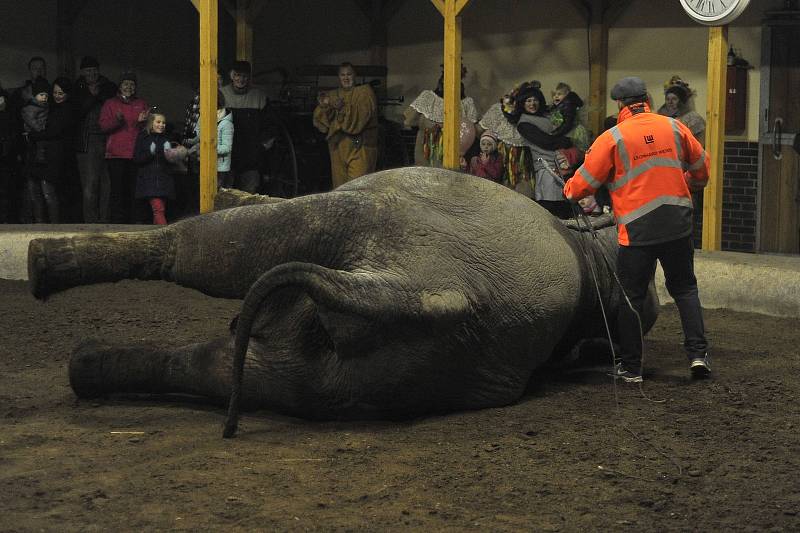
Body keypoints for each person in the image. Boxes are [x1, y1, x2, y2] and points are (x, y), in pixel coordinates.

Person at [563, 76, 711, 383]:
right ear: (646, 98)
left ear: (620, 104)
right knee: (685, 289)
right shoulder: (674, 126)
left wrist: (568, 189)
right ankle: (698, 356)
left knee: (631, 297)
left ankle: (631, 368)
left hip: (638, 230)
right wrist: (690, 183)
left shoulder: (612, 137)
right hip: (678, 224)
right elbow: (701, 166)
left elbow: (583, 185)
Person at [511, 81, 573, 218]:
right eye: (528, 100)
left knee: (563, 203)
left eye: (535, 100)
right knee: (551, 205)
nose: (532, 104)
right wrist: (566, 141)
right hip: (546, 167)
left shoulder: (545, 116)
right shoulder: (524, 123)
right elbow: (546, 142)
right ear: (522, 103)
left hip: (561, 165)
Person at [313, 62, 378, 188]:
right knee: (340, 188)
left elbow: (357, 120)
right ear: (339, 77)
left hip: (359, 148)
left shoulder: (364, 93)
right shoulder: (334, 94)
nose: (346, 78)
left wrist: (339, 106)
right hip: (338, 148)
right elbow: (321, 121)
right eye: (342, 75)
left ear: (355, 76)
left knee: (357, 188)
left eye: (349, 74)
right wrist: (326, 106)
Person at [98, 71, 150, 224]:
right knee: (117, 191)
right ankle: (117, 223)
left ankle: (133, 222)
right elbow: (103, 126)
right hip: (116, 155)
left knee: (134, 191)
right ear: (120, 86)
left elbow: (149, 128)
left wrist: (143, 122)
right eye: (125, 83)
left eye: (132, 84)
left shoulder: (141, 103)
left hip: (135, 154)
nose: (129, 87)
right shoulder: (110, 104)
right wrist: (117, 120)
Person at [26, 77, 77, 223]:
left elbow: (54, 131)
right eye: (55, 92)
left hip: (55, 157)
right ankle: (41, 225)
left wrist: (32, 135)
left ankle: (54, 227)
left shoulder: (67, 109)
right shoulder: (49, 108)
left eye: (60, 93)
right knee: (38, 193)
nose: (57, 96)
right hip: (43, 156)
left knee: (49, 193)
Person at [403, 68, 478, 168]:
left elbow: (472, 132)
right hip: (425, 153)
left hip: (451, 157)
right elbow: (409, 120)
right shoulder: (428, 98)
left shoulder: (466, 104)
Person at [74, 56, 117, 223]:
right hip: (87, 140)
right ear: (82, 72)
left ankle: (104, 221)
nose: (91, 73)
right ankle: (91, 223)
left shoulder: (109, 87)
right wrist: (93, 97)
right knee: (90, 184)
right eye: (87, 70)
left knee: (107, 184)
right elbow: (77, 112)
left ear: (98, 70)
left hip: (108, 139)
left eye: (94, 69)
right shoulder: (77, 88)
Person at [219, 60, 267, 193]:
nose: (241, 79)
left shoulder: (259, 96)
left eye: (245, 76)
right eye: (238, 75)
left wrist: (263, 145)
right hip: (227, 154)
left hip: (251, 156)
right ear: (232, 75)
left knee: (250, 193)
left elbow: (269, 124)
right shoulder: (220, 95)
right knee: (226, 193)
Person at [20, 77, 53, 222]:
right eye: (41, 95)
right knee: (35, 192)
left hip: (40, 148)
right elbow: (33, 122)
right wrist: (41, 129)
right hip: (33, 149)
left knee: (43, 193)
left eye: (46, 95)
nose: (44, 98)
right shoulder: (29, 109)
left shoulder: (47, 108)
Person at [185, 90, 235, 189]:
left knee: (215, 195)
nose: (201, 105)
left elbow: (226, 148)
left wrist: (209, 147)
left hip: (219, 168)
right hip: (203, 163)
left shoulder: (226, 123)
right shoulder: (202, 117)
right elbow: (200, 135)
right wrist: (190, 142)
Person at [133, 113, 175, 225]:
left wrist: (170, 155)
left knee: (159, 211)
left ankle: (158, 235)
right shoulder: (143, 137)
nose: (161, 125)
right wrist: (150, 153)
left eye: (163, 123)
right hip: (149, 180)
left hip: (164, 180)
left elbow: (171, 162)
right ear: (151, 123)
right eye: (158, 122)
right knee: (158, 209)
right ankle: (166, 235)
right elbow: (137, 158)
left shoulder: (166, 138)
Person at [657, 75, 705, 146]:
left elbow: (699, 145)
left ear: (681, 101)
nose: (670, 102)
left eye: (674, 99)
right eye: (667, 99)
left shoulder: (693, 119)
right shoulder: (660, 117)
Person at [548, 82, 591, 152]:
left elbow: (567, 123)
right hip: (565, 131)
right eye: (554, 95)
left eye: (559, 94)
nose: (556, 96)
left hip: (572, 133)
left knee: (577, 150)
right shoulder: (559, 106)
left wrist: (555, 133)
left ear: (567, 94)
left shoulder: (568, 106)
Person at [0, 81, 18, 222]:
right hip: (6, 154)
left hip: (5, 157)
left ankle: (5, 220)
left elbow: (11, 131)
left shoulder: (6, 102)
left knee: (4, 191)